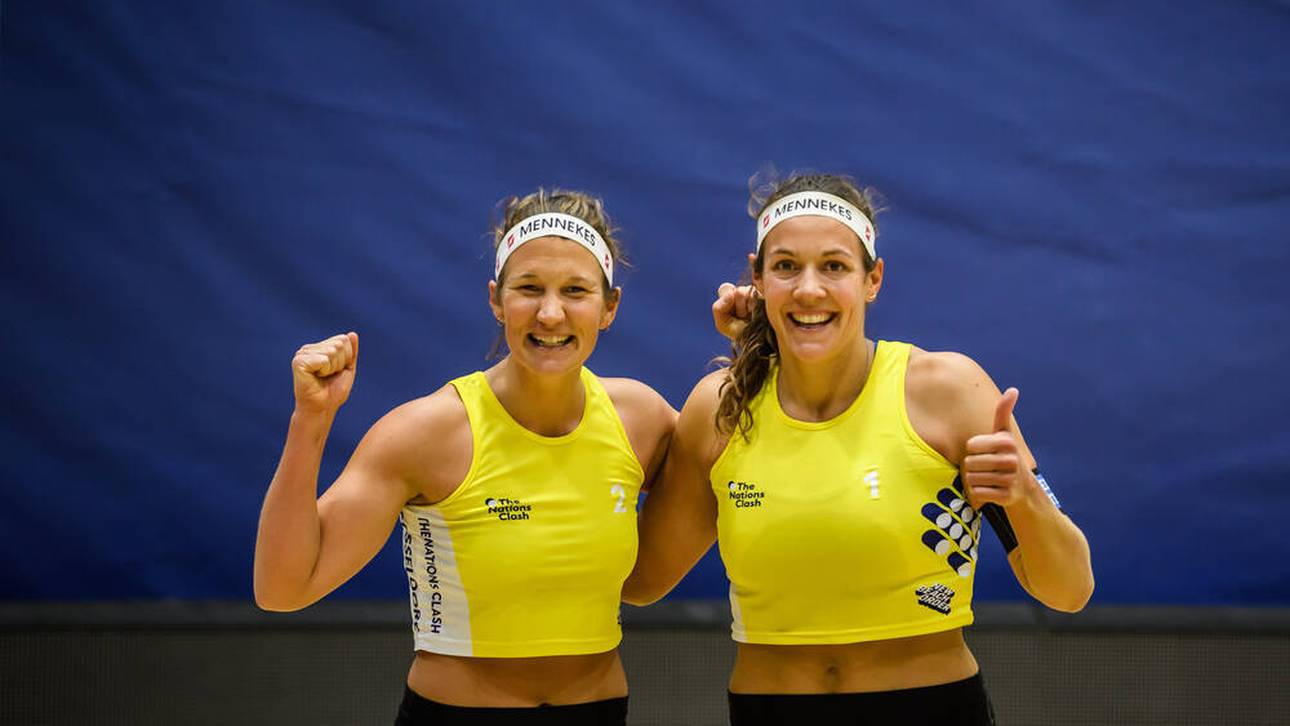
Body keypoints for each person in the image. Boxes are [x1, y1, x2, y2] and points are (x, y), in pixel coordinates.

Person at [623, 172, 1094, 725]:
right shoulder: (724, 409)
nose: (809, 289)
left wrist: (1024, 499)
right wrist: (596, 456)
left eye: (834, 266)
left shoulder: (946, 392)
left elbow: (1070, 589)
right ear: (758, 277)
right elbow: (641, 582)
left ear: (873, 279)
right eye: (786, 267)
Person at [254, 189, 675, 726]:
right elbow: (282, 589)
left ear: (609, 306)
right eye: (529, 289)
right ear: (496, 299)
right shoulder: (427, 432)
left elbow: (744, 460)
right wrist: (309, 423)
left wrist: (756, 341)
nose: (550, 312)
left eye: (575, 290)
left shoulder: (642, 420)